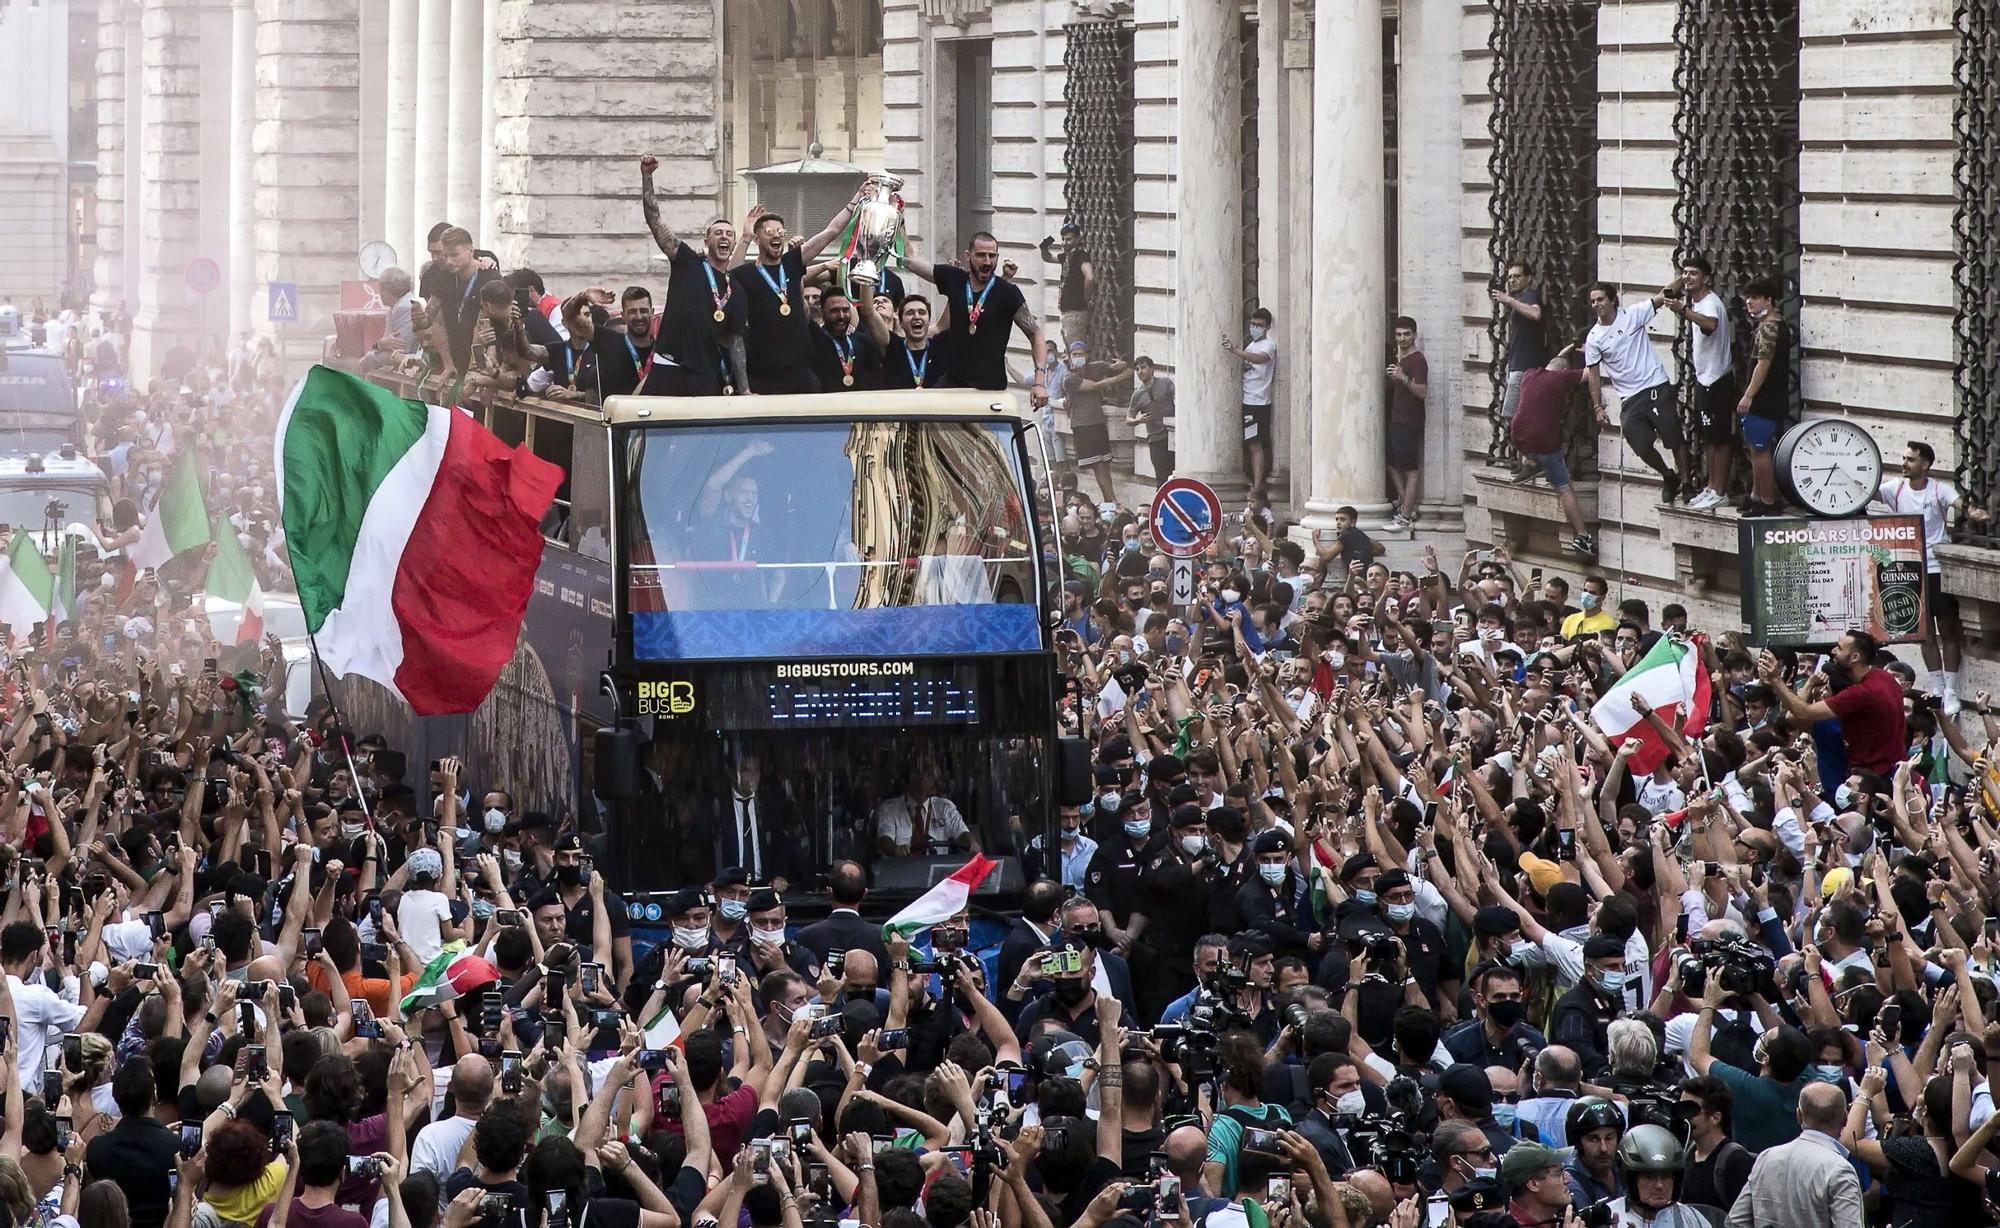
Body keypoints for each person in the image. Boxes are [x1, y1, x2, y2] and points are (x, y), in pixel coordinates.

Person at [1874, 439, 1989, 711]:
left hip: (1936, 568)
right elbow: (1867, 491)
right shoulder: (1895, 488)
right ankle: (1937, 687)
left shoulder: (1938, 489)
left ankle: (1951, 689)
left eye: (1910, 459)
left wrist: (1972, 512)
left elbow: (1959, 503)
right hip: (1908, 568)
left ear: (1925, 464)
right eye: (1904, 458)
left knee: (1948, 629)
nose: (1904, 464)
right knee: (1923, 634)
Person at [901, 230, 1048, 404]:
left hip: (990, 392)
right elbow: (910, 260)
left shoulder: (1007, 292)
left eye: (992, 256)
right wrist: (899, 220)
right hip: (953, 388)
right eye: (981, 255)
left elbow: (1035, 334)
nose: (987, 262)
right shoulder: (954, 279)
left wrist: (1039, 382)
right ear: (968, 256)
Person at [728, 199, 859, 393]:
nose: (777, 236)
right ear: (757, 239)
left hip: (801, 372)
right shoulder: (747, 273)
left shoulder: (792, 263)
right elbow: (729, 274)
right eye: (770, 232)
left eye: (780, 232)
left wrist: (856, 199)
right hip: (764, 375)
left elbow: (830, 232)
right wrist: (745, 237)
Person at [640, 155, 741, 395]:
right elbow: (654, 220)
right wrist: (647, 177)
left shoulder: (735, 288)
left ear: (734, 243)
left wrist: (744, 389)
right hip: (669, 365)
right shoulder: (688, 261)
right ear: (707, 241)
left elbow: (736, 341)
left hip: (705, 372)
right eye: (718, 233)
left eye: (729, 234)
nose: (724, 237)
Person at [1584, 280, 1689, 504]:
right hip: (1630, 397)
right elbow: (1593, 373)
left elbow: (1662, 295)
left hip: (1654, 385)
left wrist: (1684, 276)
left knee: (1673, 436)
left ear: (1612, 300)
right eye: (1592, 301)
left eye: (1600, 299)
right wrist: (1598, 407)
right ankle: (1668, 475)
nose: (1596, 305)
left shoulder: (1632, 315)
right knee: (1639, 443)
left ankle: (1687, 482)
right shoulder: (1594, 337)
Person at [1756, 630, 1906, 777]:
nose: (1833, 651)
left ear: (1854, 657)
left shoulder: (1862, 693)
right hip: (1891, 770)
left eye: (1839, 648)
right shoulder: (1885, 677)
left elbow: (1802, 713)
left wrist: (1776, 678)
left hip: (1873, 777)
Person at [1723, 1082, 1862, 1228]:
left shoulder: (1767, 1157)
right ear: (1845, 1117)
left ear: (1799, 1115)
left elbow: (1735, 1222)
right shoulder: (1839, 1170)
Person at [1509, 348, 1596, 555]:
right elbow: (1590, 373)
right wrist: (1595, 350)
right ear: (1564, 370)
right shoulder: (1560, 378)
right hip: (1544, 441)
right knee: (1564, 487)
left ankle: (1530, 463)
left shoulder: (1530, 374)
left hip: (1518, 437)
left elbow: (1555, 362)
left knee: (1528, 426)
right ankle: (1583, 537)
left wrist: (1566, 350)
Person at [1666, 257, 1735, 511]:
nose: (1687, 277)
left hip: (1717, 379)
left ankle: (1719, 490)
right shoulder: (1696, 300)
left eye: (1694, 273)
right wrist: (1681, 281)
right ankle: (1710, 486)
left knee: (1720, 438)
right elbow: (1667, 292)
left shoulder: (1710, 303)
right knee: (1708, 437)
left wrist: (1683, 311)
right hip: (1704, 378)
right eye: (1685, 273)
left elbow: (1710, 324)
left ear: (1707, 278)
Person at [1734, 277, 1789, 514]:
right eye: (1748, 298)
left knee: (1759, 449)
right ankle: (1757, 495)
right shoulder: (1773, 324)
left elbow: (1763, 364)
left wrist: (1748, 395)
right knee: (1756, 448)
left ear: (1769, 300)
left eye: (1755, 298)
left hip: (1765, 399)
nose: (1749, 302)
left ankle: (1767, 500)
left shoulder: (1769, 327)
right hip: (1769, 397)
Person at [1493, 260, 1548, 479]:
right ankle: (1525, 459)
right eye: (1509, 277)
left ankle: (1532, 459)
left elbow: (1536, 314)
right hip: (1518, 364)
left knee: (1511, 414)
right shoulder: (1519, 299)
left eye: (1516, 276)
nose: (1512, 280)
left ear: (1528, 278)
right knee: (1515, 415)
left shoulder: (1530, 296)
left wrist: (1508, 300)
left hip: (1526, 367)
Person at [1062, 339, 1130, 505]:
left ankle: (1111, 499)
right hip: (1082, 425)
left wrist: (1122, 364)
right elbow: (1094, 386)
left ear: (1087, 355)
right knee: (1097, 465)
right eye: (1074, 355)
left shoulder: (1096, 367)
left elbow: (1113, 367)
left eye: (1080, 354)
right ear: (1070, 357)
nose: (1077, 357)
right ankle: (1111, 500)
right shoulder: (1069, 378)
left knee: (1105, 464)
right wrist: (1122, 377)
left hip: (1097, 422)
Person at [1223, 307, 1278, 498]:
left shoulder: (1268, 345)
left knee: (1255, 444)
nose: (1255, 328)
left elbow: (1261, 359)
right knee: (1248, 443)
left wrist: (1236, 351)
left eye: (1259, 325)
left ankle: (1257, 485)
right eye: (1253, 324)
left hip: (1258, 402)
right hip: (1247, 399)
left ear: (1268, 327)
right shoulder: (1250, 345)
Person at [1386, 316, 1429, 529]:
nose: (1402, 339)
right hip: (1396, 419)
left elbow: (1422, 392)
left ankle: (1404, 516)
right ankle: (1405, 505)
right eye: (1399, 335)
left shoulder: (1418, 360)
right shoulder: (1401, 359)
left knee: (1411, 470)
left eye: (1406, 334)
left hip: (1409, 421)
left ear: (1414, 335)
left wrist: (1403, 378)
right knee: (1391, 462)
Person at [1041, 221, 1095, 347]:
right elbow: (1048, 258)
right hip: (1068, 312)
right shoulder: (1066, 257)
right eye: (1063, 239)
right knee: (1071, 352)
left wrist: (1086, 298)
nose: (1065, 242)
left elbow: (1090, 277)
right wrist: (1043, 248)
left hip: (1075, 312)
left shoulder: (1081, 257)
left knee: (1075, 352)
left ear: (1077, 239)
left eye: (1069, 239)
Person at [1127, 355, 1175, 479]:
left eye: (1143, 367)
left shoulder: (1165, 383)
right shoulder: (1137, 395)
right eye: (1137, 369)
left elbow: (1179, 396)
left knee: (1177, 477)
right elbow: (1129, 419)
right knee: (1162, 478)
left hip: (1173, 438)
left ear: (1152, 369)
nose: (1140, 371)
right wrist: (1139, 420)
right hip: (1155, 440)